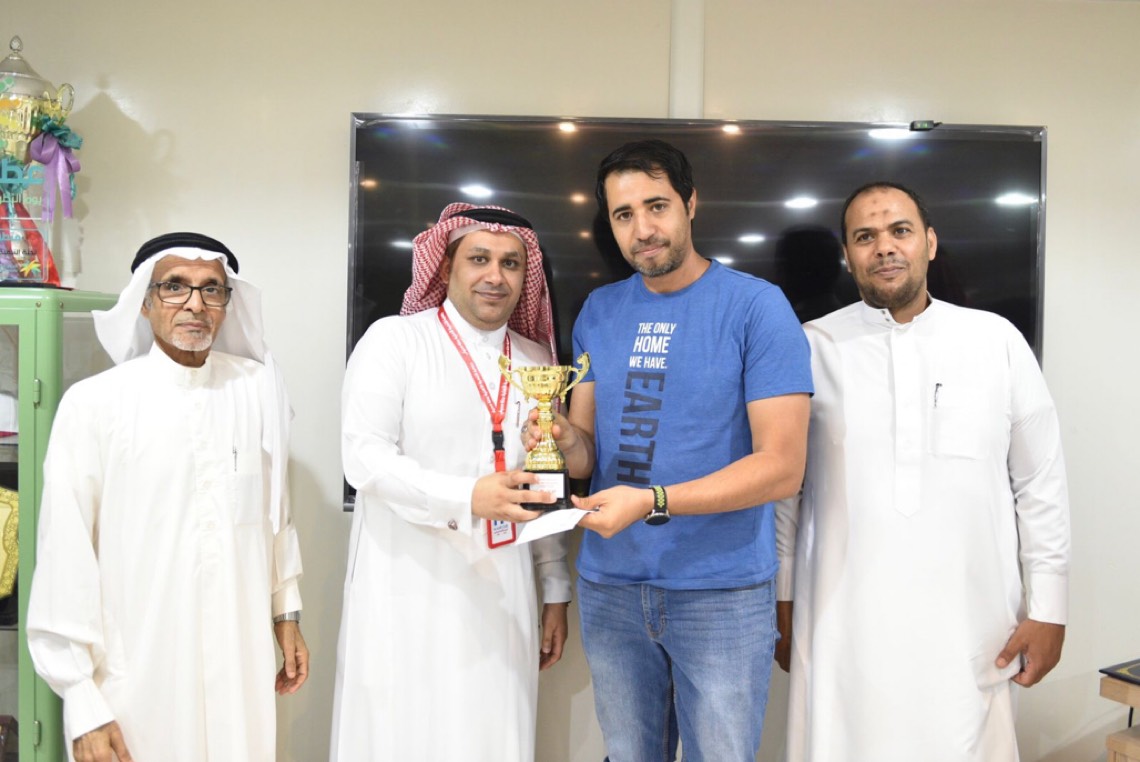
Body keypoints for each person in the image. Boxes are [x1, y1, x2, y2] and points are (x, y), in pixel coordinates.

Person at [777, 182, 1070, 761]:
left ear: (930, 244)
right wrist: (782, 600)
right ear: (847, 254)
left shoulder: (996, 341)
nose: (884, 247)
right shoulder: (811, 347)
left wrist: (1050, 609)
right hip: (841, 625)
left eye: (900, 231)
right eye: (865, 236)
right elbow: (785, 493)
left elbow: (1040, 483)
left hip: (971, 625)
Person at [545, 139, 812, 761]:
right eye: (623, 214)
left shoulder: (756, 307)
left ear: (690, 203)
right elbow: (587, 457)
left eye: (657, 206)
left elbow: (782, 468)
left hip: (721, 591)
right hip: (612, 585)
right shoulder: (599, 310)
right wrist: (561, 438)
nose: (642, 229)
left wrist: (653, 500)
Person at [27, 232, 308, 762]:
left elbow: (276, 512)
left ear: (227, 303)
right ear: (145, 301)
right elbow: (66, 555)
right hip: (137, 675)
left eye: (212, 289)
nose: (195, 304)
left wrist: (286, 612)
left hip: (239, 666)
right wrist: (82, 699)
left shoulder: (257, 390)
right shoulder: (94, 404)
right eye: (175, 286)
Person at [330, 203, 572, 761]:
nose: (495, 276)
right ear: (445, 267)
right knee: (402, 735)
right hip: (406, 586)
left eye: (511, 263)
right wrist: (468, 497)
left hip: (504, 592)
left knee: (492, 734)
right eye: (479, 259)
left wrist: (555, 587)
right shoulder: (395, 340)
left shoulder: (537, 360)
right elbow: (364, 458)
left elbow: (544, 478)